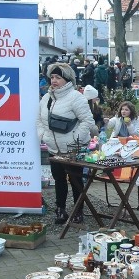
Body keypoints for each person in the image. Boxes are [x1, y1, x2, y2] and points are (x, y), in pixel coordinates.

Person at [36, 63, 94, 225]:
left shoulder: (76, 97)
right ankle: (60, 209)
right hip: (54, 148)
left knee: (76, 181)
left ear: (67, 80)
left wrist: (75, 139)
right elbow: (39, 120)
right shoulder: (46, 98)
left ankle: (78, 210)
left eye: (58, 77)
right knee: (58, 180)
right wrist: (43, 136)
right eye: (52, 77)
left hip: (73, 150)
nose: (54, 80)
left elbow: (87, 122)